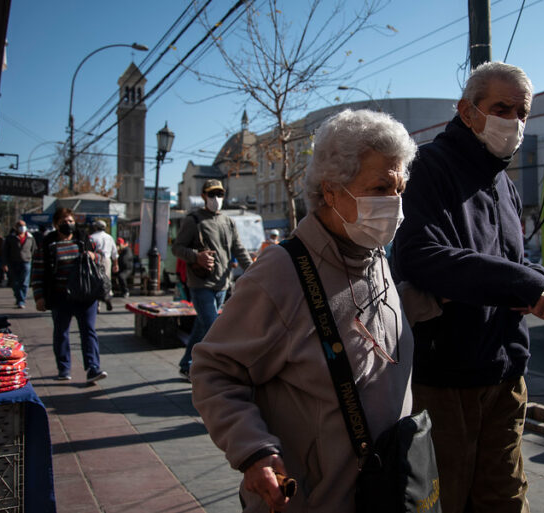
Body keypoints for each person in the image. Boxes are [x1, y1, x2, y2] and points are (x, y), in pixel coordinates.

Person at [191, 109, 416, 512]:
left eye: (399, 188)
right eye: (381, 188)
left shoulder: (375, 254)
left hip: (383, 491)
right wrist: (253, 450)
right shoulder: (279, 273)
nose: (394, 204)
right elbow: (213, 370)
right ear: (331, 191)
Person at [392, 61, 544, 513]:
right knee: (447, 499)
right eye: (501, 108)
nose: (513, 121)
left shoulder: (503, 182)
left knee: (505, 498)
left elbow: (512, 263)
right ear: (467, 111)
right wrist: (524, 283)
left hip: (506, 373)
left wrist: (537, 284)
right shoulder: (428, 166)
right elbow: (418, 254)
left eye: (522, 111)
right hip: (449, 379)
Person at [172, 179, 253, 382]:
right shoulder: (193, 220)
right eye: (211, 195)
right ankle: (218, 372)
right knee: (214, 328)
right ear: (203, 196)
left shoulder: (228, 221)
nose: (216, 199)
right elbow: (177, 248)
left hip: (222, 284)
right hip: (201, 284)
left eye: (219, 194)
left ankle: (186, 365)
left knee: (202, 326)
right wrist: (195, 256)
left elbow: (239, 249)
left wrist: (254, 271)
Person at [32, 207, 107, 383]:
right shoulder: (47, 244)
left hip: (85, 294)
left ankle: (92, 368)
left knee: (88, 331)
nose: (68, 224)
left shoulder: (83, 239)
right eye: (64, 221)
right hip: (59, 296)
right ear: (56, 224)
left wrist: (93, 256)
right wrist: (39, 296)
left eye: (71, 221)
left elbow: (100, 257)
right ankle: (64, 368)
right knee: (61, 332)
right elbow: (38, 271)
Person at [2, 220, 37, 308]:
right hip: (13, 263)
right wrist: (5, 263)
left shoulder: (30, 237)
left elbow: (34, 249)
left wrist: (32, 259)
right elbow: (5, 251)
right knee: (15, 283)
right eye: (20, 226)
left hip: (26, 262)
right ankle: (18, 297)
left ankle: (21, 300)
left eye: (24, 225)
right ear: (16, 227)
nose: (22, 227)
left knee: (24, 282)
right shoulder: (10, 238)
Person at [89, 220, 118, 311]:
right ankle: (108, 297)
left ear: (96, 227)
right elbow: (114, 253)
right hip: (107, 261)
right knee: (106, 281)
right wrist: (116, 264)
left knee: (95, 281)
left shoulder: (92, 237)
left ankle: (98, 305)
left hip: (95, 260)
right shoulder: (109, 237)